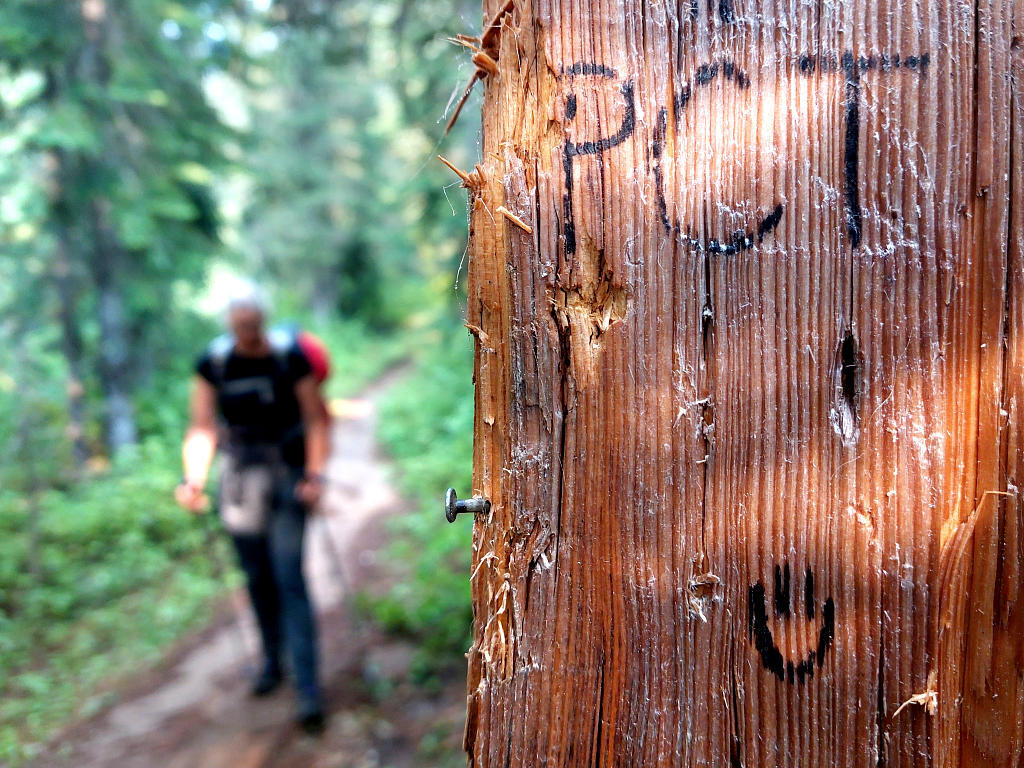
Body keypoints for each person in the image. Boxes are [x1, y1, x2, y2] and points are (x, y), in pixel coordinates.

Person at [174, 283, 329, 733]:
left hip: (287, 479)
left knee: (289, 577)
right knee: (258, 578)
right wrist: (194, 479)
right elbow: (201, 427)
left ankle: (308, 688)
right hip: (240, 482)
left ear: (262, 318)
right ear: (228, 322)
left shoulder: (289, 358)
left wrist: (315, 476)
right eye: (238, 323)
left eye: (252, 322)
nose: (245, 330)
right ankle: (270, 664)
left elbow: (315, 418)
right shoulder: (214, 364)